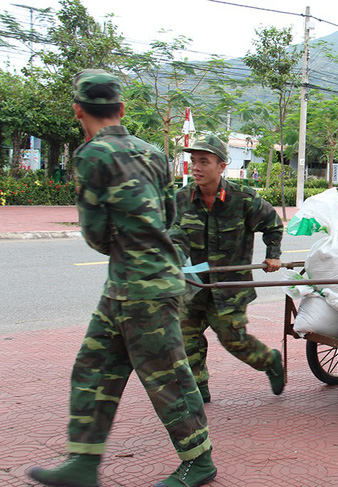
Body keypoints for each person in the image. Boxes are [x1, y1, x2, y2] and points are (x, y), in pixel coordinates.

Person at [28, 69, 216, 487]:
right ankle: (83, 461)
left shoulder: (92, 155)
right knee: (94, 367)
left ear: (78, 110)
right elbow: (169, 217)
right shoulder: (152, 153)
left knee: (166, 375)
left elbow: (95, 235)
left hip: (142, 288)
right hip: (132, 286)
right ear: (122, 109)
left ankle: (199, 461)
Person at [170, 134, 285, 403]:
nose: (196, 167)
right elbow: (172, 234)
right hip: (192, 287)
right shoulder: (180, 199)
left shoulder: (243, 199)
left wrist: (273, 255)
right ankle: (197, 389)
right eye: (193, 161)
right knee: (186, 340)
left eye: (204, 161)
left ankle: (270, 360)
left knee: (234, 340)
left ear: (222, 166)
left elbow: (273, 224)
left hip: (229, 288)